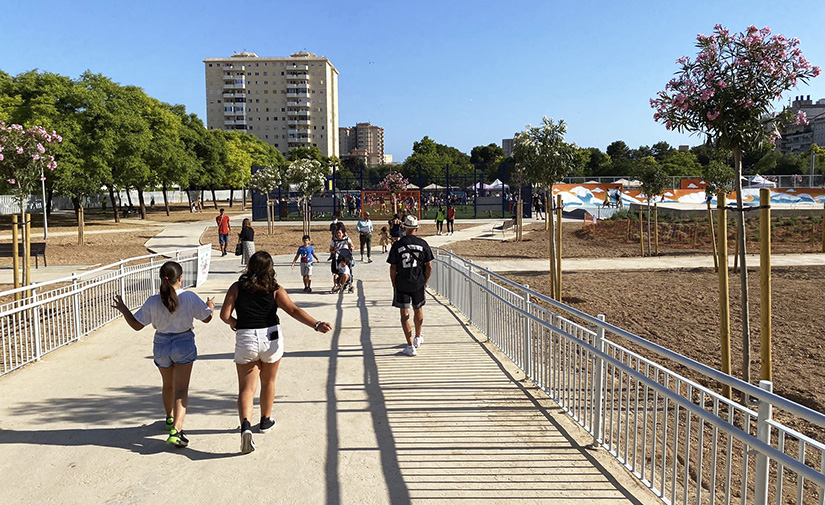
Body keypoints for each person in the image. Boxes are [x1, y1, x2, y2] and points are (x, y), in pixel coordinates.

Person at [220, 251, 331, 454]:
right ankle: (265, 420)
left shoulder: (237, 287)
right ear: (270, 268)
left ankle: (245, 426)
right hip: (271, 338)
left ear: (250, 266)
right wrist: (316, 324)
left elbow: (224, 315)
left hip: (246, 338)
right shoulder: (275, 289)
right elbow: (294, 310)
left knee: (246, 388)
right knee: (268, 382)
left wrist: (235, 323)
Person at [110, 261, 214, 448]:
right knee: (181, 389)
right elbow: (207, 318)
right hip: (183, 342)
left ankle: (169, 417)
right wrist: (210, 305)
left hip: (161, 344)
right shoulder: (189, 297)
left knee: (168, 385)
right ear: (180, 279)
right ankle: (177, 430)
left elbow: (136, 325)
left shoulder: (153, 300)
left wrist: (124, 309)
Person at [387, 215, 434, 357]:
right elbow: (429, 266)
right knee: (418, 309)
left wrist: (393, 282)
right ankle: (418, 337)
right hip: (418, 281)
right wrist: (425, 280)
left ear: (404, 228)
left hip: (402, 282)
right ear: (417, 229)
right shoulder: (423, 244)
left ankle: (409, 345)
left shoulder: (397, 245)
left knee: (404, 313)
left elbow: (393, 267)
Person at [329, 225, 353, 291]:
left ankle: (343, 284)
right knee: (335, 273)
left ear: (342, 233)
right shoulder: (334, 241)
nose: (338, 234)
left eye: (339, 233)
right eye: (337, 233)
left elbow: (352, 246)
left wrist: (351, 249)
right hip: (337, 257)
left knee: (347, 272)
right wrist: (334, 250)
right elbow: (330, 249)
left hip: (346, 257)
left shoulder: (347, 239)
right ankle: (336, 285)